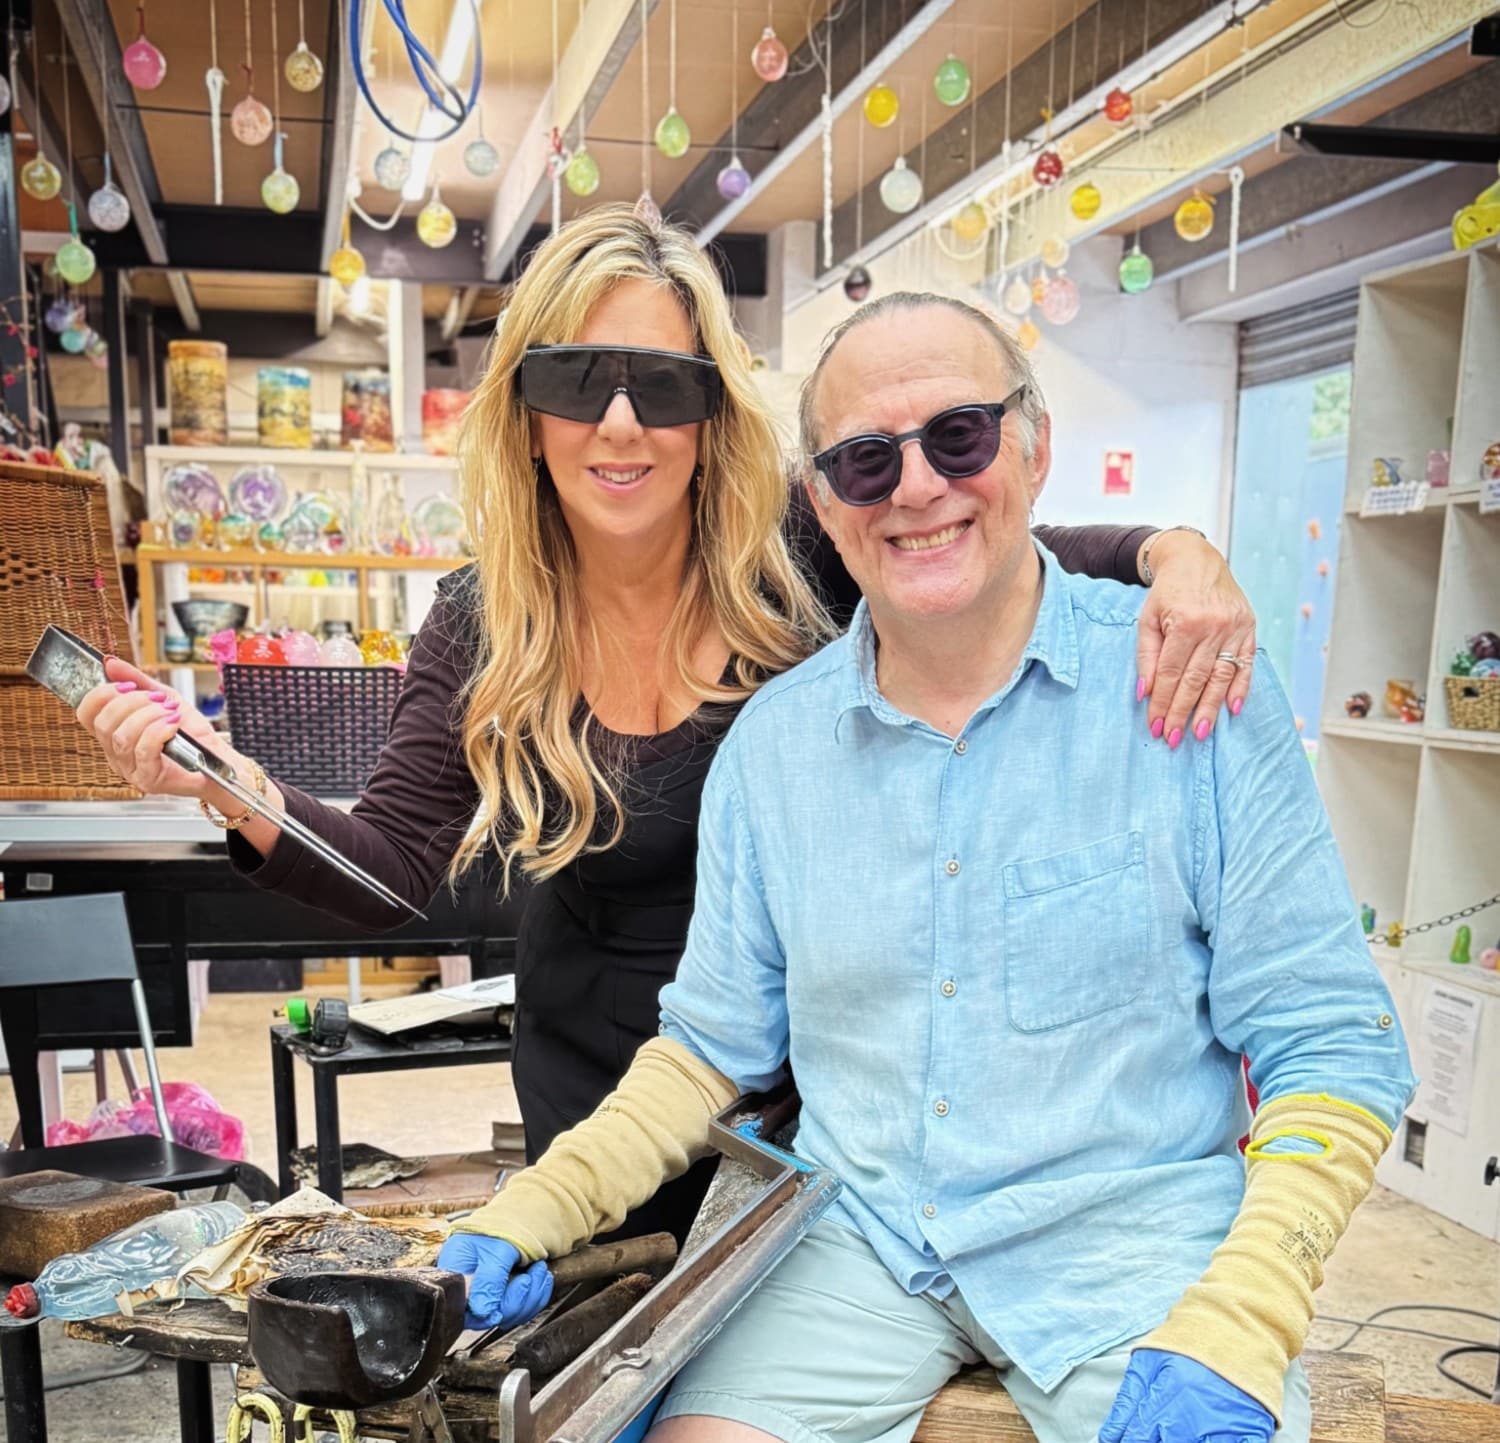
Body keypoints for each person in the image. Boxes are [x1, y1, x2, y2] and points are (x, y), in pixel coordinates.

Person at [75, 207, 1256, 1247]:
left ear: (711, 411)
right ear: (526, 410)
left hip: (822, 1089)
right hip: (603, 1093)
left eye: (664, 385)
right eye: (579, 380)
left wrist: (1173, 554)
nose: (622, 424)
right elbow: (390, 870)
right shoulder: (486, 620)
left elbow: (999, 552)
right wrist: (227, 783)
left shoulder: (798, 555)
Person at [439, 291, 1417, 1443]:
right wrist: (539, 1206)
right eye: (865, 460)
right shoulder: (775, 750)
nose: (914, 487)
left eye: (960, 436)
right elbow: (708, 1049)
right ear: (821, 502)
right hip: (859, 1244)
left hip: (1134, 1251)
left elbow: (1331, 1042)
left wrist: (1247, 1317)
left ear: (1034, 446)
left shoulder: (1188, 697)